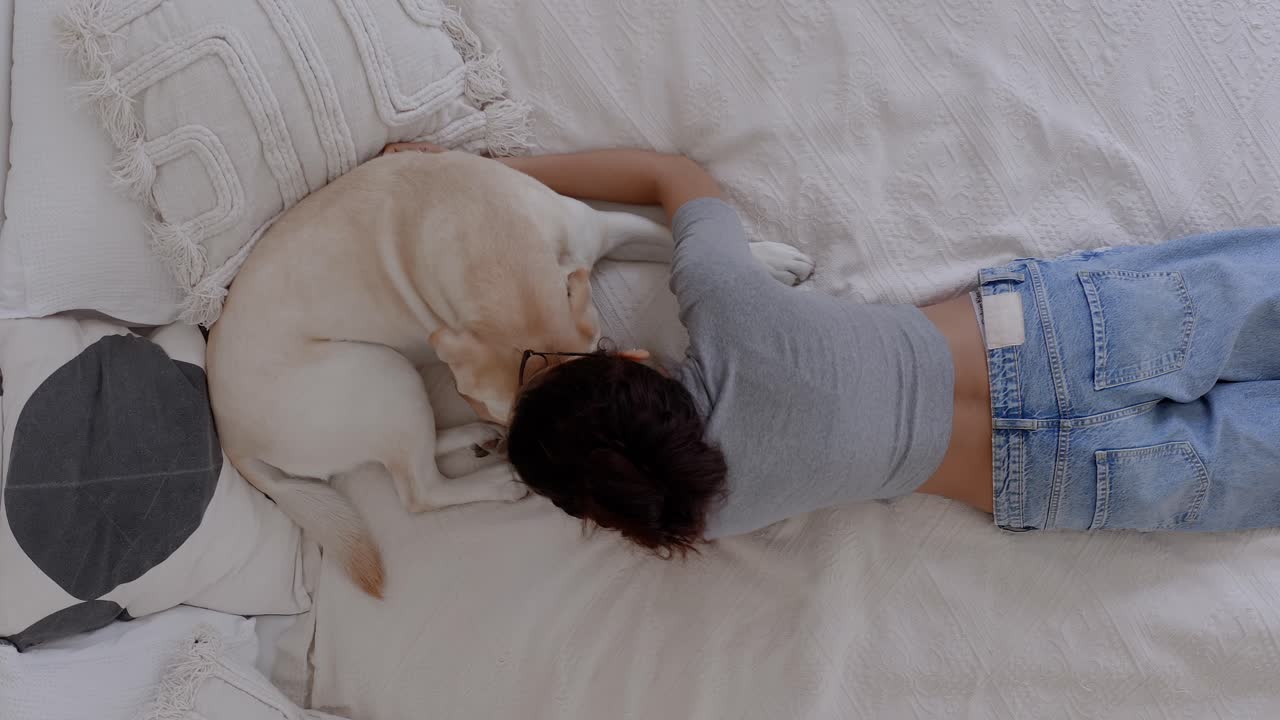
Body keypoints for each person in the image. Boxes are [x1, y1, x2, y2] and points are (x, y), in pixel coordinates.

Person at [389, 142, 1280, 554]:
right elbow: (672, 176)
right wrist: (485, 174)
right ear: (626, 363)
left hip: (1054, 480)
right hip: (1051, 342)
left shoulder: (710, 514)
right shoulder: (730, 310)